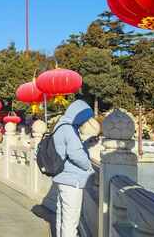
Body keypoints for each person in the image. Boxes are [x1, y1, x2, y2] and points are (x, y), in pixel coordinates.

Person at [52, 100, 98, 237]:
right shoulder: (69, 129)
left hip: (62, 177)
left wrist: (86, 144)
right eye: (85, 117)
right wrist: (89, 166)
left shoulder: (60, 125)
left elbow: (68, 148)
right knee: (70, 222)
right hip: (72, 181)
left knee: (62, 217)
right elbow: (75, 154)